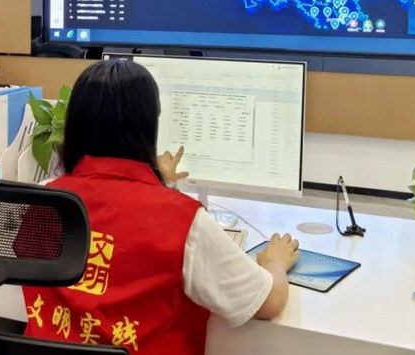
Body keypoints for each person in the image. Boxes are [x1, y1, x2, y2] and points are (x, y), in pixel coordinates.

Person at [22, 58, 299, 354]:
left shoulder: (44, 202)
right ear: (148, 127)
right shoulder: (186, 223)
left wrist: (153, 183)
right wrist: (275, 263)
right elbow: (268, 303)